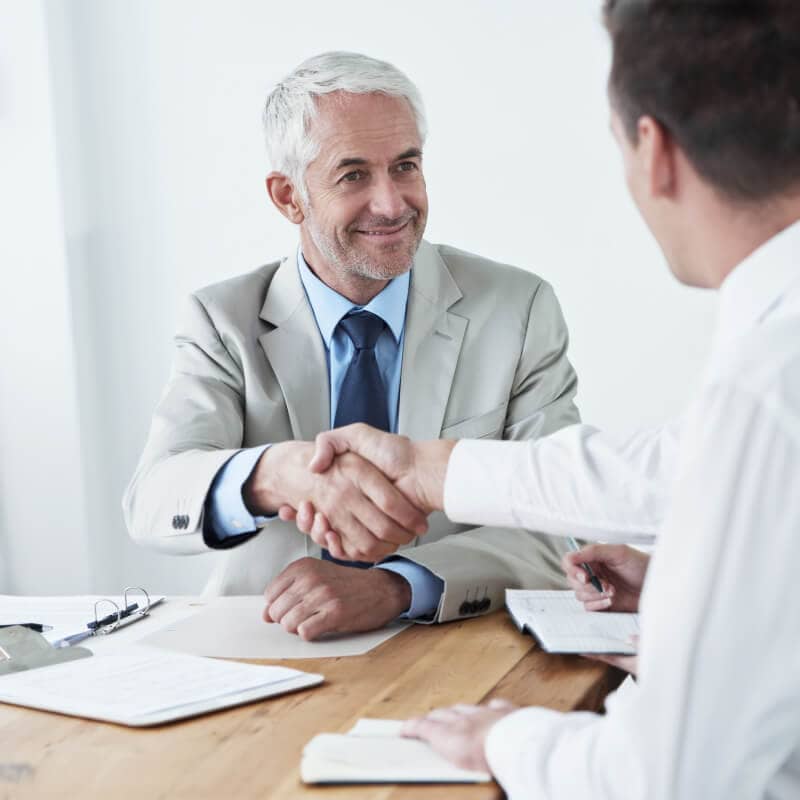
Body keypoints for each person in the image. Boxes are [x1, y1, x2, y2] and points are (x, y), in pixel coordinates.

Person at [291, 2, 800, 796]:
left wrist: (508, 739)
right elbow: (679, 466)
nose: (390, 203)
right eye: (354, 175)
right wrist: (675, 591)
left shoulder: (767, 379)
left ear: (653, 150)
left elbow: (678, 779)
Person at [123, 51, 580, 641]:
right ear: (289, 197)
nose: (392, 204)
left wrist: (398, 585)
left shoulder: (518, 309)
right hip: (267, 645)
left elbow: (562, 523)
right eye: (354, 174)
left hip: (450, 644)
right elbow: (154, 501)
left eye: (406, 166)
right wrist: (275, 473)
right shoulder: (222, 320)